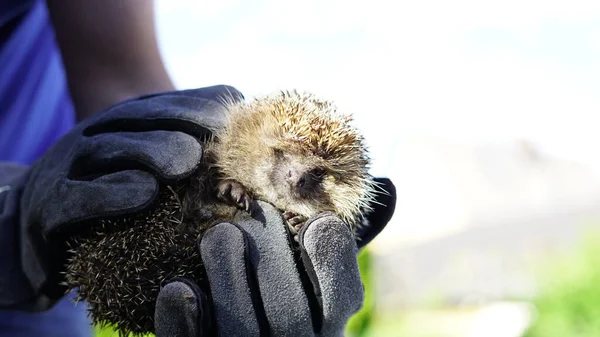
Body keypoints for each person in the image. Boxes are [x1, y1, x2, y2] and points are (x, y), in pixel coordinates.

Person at [0, 1, 396, 336]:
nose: (294, 176)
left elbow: (122, 82)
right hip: (40, 215)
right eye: (282, 156)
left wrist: (148, 136)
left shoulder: (235, 140)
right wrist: (13, 209)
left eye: (315, 176)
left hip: (60, 243)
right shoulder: (245, 145)